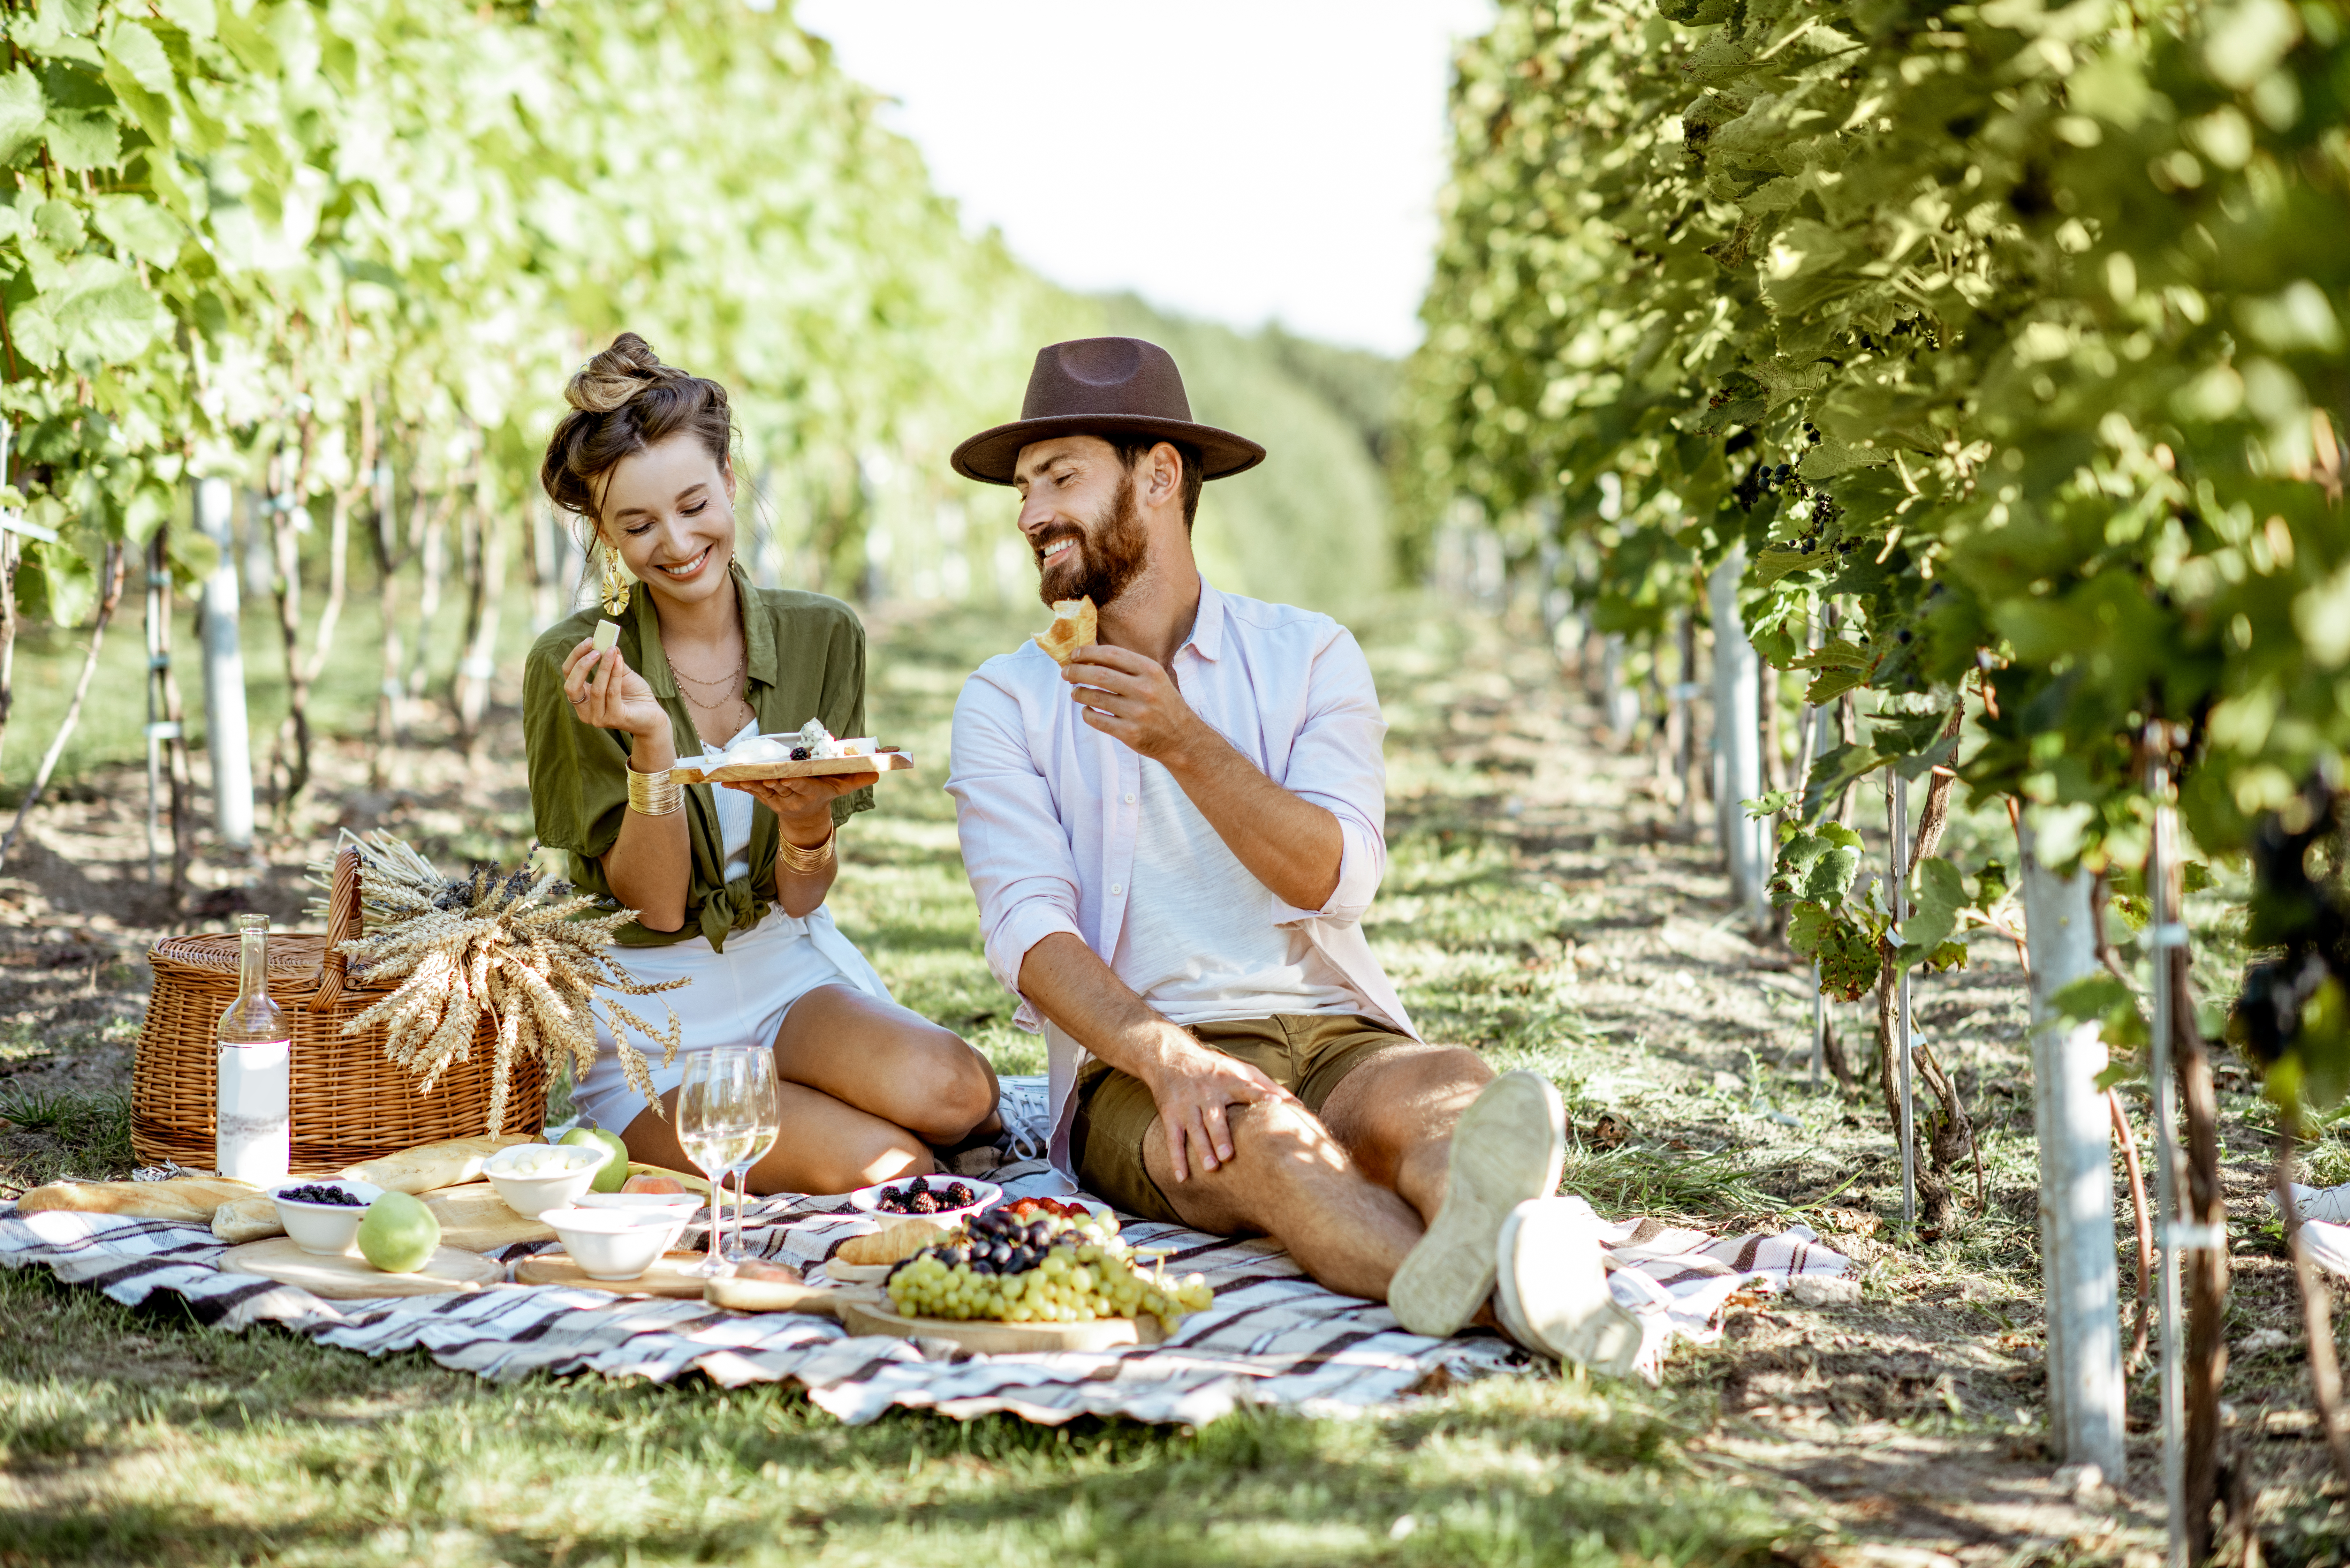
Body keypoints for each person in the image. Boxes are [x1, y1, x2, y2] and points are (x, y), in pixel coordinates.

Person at [943, 337, 1640, 1369]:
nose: (1031, 512)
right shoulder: (1007, 699)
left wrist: (1180, 737)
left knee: (1451, 1098)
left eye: (1062, 476)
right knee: (1273, 1154)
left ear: (1161, 476)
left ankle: (1497, 1254)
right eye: (1022, 488)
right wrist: (1170, 1060)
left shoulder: (1308, 654)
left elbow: (1336, 877)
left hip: (1338, 1028)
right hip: (1148, 1056)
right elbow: (1029, 936)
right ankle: (1544, 1300)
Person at [524, 332, 998, 1193]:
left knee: (961, 1091)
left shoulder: (824, 636)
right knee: (893, 1167)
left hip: (781, 970)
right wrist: (651, 747)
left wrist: (809, 823)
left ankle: (816, 1093)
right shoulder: (576, 666)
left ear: (731, 483)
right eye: (637, 525)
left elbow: (804, 893)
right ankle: (808, 1118)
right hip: (651, 1015)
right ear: (603, 533)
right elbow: (658, 909)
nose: (675, 542)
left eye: (695, 503)